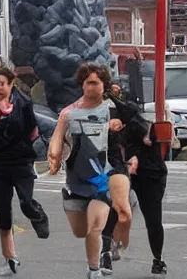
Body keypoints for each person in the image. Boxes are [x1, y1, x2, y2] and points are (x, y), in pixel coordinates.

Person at [0, 66, 50, 275]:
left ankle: (38, 215)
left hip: (21, 162)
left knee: (26, 202)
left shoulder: (23, 103)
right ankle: (10, 258)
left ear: (11, 85)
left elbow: (32, 129)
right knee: (3, 214)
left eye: (2, 84)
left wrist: (26, 147)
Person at [47, 63, 117, 279]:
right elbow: (57, 138)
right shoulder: (69, 113)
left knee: (95, 226)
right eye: (87, 83)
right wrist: (54, 158)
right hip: (77, 178)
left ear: (104, 85)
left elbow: (130, 134)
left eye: (95, 83)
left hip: (104, 178)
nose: (90, 87)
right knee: (81, 231)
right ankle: (106, 244)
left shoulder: (113, 110)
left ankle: (94, 268)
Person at [101, 93, 168, 275]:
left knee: (152, 219)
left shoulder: (142, 126)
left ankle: (157, 259)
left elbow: (146, 139)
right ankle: (105, 252)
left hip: (150, 177)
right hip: (128, 173)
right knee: (116, 209)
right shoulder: (115, 129)